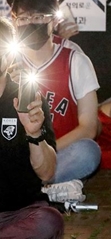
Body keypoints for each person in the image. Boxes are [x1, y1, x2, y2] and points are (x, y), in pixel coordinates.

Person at [11, 0, 101, 185]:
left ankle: (31, 187)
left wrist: (45, 154)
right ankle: (42, 188)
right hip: (14, 156)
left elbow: (88, 128)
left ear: (53, 19)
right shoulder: (8, 61)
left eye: (37, 17)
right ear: (14, 22)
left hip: (60, 152)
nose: (30, 23)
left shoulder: (75, 60)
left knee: (88, 152)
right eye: (23, 18)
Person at [0, 17, 64, 238]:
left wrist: (34, 133)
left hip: (19, 211)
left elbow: (47, 173)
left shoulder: (27, 97)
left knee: (48, 220)